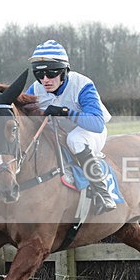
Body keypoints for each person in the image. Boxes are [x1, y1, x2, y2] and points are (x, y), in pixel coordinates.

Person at [26, 39, 116, 215]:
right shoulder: (35, 89)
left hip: (88, 132)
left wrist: (65, 112)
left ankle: (103, 192)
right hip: (58, 132)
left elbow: (97, 124)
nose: (45, 80)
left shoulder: (82, 85)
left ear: (64, 71)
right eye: (39, 74)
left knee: (74, 140)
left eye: (51, 73)